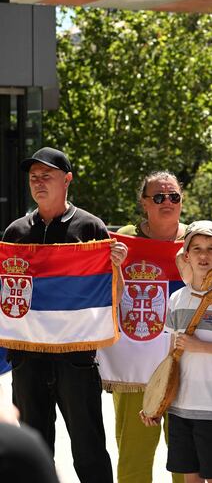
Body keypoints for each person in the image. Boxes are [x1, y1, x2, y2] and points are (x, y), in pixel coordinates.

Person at [2, 146, 127, 483]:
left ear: (67, 179)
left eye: (47, 176)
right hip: (27, 357)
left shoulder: (91, 227)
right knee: (34, 453)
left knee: (89, 453)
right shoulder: (14, 233)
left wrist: (116, 268)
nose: (39, 183)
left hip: (77, 358)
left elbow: (113, 298)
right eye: (33, 178)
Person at [140, 220, 212, 483]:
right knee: (189, 478)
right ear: (186, 255)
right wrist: (157, 401)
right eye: (196, 249)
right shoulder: (177, 299)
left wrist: (201, 346)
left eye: (211, 249)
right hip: (179, 406)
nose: (203, 255)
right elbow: (173, 356)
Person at [98, 170, 186, 483]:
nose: (167, 202)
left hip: (186, 363)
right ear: (143, 203)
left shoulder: (197, 241)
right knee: (134, 454)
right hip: (135, 367)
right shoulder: (123, 240)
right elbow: (103, 292)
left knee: (186, 456)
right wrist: (114, 263)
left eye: (173, 196)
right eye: (159, 197)